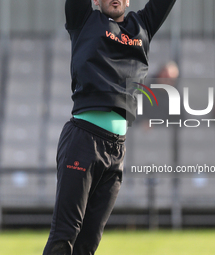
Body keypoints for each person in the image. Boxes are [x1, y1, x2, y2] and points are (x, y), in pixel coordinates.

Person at [42, 0, 176, 254]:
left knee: (88, 243)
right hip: (83, 141)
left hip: (117, 150)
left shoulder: (142, 26)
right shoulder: (83, 20)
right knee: (64, 237)